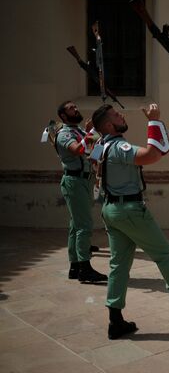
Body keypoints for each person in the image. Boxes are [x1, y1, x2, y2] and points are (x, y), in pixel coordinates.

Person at [91, 103, 169, 340]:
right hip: (130, 209)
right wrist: (154, 120)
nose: (121, 115)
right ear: (108, 125)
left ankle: (115, 320)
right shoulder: (118, 146)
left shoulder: (100, 145)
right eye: (116, 115)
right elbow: (152, 155)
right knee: (164, 253)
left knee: (118, 265)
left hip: (111, 209)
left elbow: (93, 163)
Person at [55, 101, 107, 283]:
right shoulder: (63, 134)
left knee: (76, 225)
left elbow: (91, 153)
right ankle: (85, 268)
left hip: (85, 180)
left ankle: (75, 266)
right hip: (74, 181)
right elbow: (77, 149)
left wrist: (93, 138)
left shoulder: (79, 132)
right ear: (63, 115)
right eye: (71, 108)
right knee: (84, 225)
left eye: (76, 107)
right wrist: (89, 134)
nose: (76, 109)